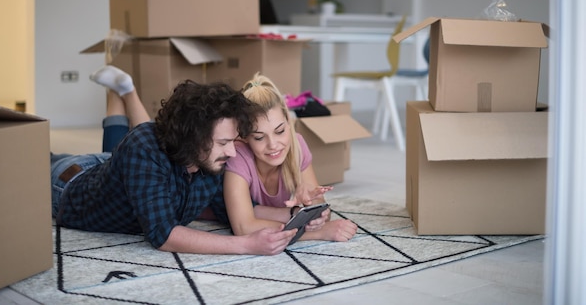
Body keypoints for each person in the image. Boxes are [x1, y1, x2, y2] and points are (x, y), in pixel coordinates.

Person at [51, 65, 297, 255]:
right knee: (36, 162)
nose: (233, 153)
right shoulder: (143, 148)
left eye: (233, 141)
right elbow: (164, 235)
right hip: (70, 181)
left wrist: (296, 213)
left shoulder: (211, 161)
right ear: (195, 138)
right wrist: (245, 245)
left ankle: (119, 92)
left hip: (113, 169)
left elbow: (242, 209)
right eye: (223, 143)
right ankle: (119, 92)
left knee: (116, 154)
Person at [223, 73, 358, 242]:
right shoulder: (238, 155)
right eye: (259, 137)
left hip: (265, 212)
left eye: (279, 131)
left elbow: (321, 212)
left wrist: (312, 206)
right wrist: (317, 234)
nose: (273, 144)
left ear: (288, 122)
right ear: (244, 137)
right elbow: (243, 227)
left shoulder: (297, 145)